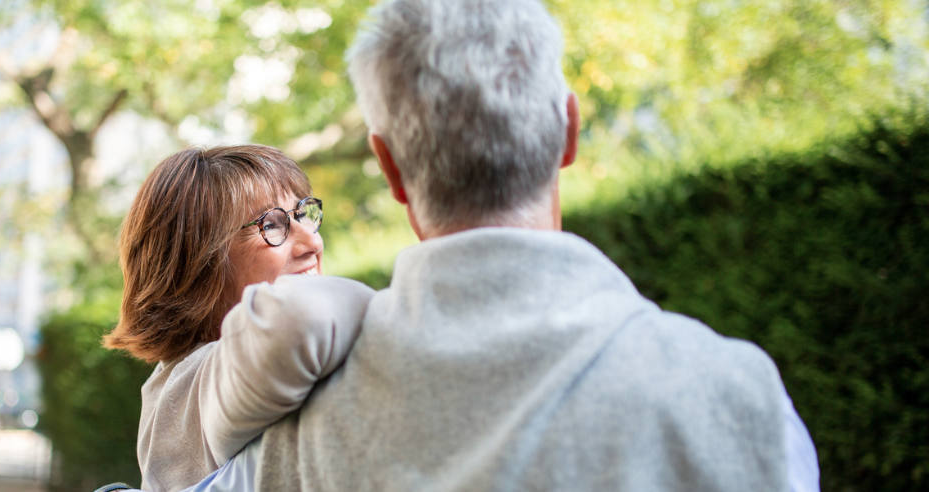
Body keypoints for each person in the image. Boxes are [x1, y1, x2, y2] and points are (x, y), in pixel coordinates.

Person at [110, 0, 820, 491]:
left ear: (389, 167)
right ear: (569, 131)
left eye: (303, 214)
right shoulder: (738, 398)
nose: (304, 238)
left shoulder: (285, 442)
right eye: (272, 225)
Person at [101, 145, 374, 491]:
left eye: (304, 213)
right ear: (200, 267)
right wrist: (394, 310)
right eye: (273, 225)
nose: (312, 241)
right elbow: (297, 318)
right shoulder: (190, 383)